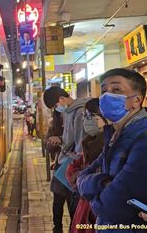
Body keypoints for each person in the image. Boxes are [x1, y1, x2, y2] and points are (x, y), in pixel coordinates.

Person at [77, 68, 147, 232]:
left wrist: (94, 189)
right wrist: (104, 182)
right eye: (104, 91)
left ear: (137, 100)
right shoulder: (114, 138)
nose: (107, 96)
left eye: (116, 90)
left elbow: (109, 208)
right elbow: (81, 178)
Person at [43, 86, 91, 230]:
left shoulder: (80, 112)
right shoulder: (69, 112)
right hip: (65, 164)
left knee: (74, 207)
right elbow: (68, 139)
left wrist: (63, 145)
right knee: (60, 202)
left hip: (73, 166)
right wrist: (60, 140)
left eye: (56, 106)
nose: (57, 109)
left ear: (62, 99)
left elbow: (79, 145)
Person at [65, 98, 108, 233]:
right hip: (84, 209)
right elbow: (73, 168)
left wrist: (82, 178)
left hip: (97, 212)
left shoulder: (111, 144)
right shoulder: (88, 142)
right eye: (85, 116)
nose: (86, 121)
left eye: (91, 116)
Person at [45, 110, 72, 233]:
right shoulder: (54, 126)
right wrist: (53, 142)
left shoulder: (75, 124)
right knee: (58, 201)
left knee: (73, 203)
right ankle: (57, 228)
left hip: (74, 168)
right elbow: (49, 147)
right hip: (60, 167)